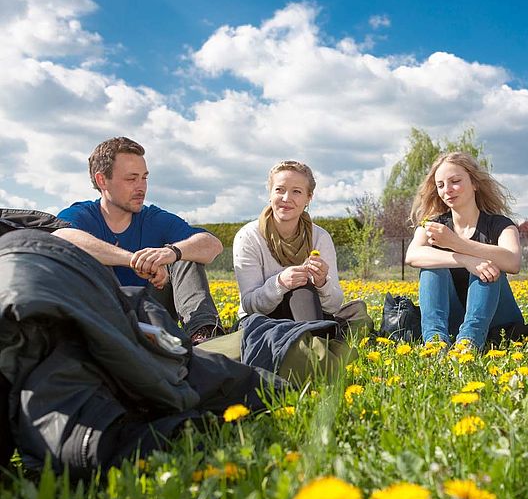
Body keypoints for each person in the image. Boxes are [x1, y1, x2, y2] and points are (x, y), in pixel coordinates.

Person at [58, 137, 225, 344]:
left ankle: (206, 336)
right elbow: (60, 236)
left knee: (186, 250)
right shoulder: (82, 215)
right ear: (102, 180)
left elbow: (212, 244)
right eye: (131, 179)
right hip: (100, 318)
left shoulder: (153, 218)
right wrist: (133, 260)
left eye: (144, 178)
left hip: (152, 316)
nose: (141, 187)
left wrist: (171, 253)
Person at [405, 152, 523, 350]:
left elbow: (513, 262)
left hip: (499, 320)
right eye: (441, 185)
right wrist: (465, 260)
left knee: (490, 266)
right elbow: (412, 255)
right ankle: (435, 341)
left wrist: (456, 243)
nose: (447, 190)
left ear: (474, 183)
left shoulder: (500, 224)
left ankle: (469, 342)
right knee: (431, 267)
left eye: (455, 181)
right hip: (453, 318)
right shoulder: (434, 225)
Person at [233, 160, 344, 322]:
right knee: (300, 289)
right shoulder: (249, 236)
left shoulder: (320, 237)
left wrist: (321, 283)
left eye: (297, 192)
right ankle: (313, 342)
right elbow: (249, 305)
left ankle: (309, 341)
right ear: (270, 193)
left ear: (309, 197)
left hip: (307, 313)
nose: (286, 198)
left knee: (303, 290)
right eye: (279, 190)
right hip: (262, 321)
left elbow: (334, 306)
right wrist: (280, 283)